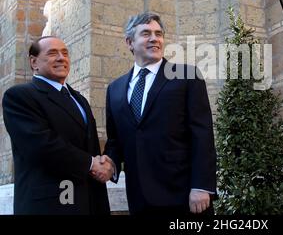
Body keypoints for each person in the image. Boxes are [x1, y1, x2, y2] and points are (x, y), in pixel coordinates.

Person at [102, 12, 217, 215]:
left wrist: (201, 186)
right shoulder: (115, 89)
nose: (154, 38)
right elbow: (115, 140)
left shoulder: (187, 76)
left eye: (159, 34)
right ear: (129, 42)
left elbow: (202, 134)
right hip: (139, 198)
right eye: (146, 33)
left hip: (184, 196)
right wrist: (109, 163)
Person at [2, 36, 112, 215]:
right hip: (51, 205)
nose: (61, 58)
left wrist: (107, 164)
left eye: (65, 53)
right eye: (53, 53)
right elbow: (41, 145)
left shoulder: (79, 99)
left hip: (90, 202)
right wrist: (92, 164)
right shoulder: (19, 96)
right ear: (34, 62)